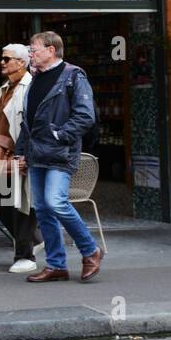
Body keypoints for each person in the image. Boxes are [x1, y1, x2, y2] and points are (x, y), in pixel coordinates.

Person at [16, 31, 103, 283]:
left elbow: (85, 116)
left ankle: (90, 250)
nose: (31, 54)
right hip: (37, 153)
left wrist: (60, 135)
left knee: (55, 202)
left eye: (34, 49)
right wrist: (21, 151)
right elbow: (27, 121)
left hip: (60, 153)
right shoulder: (35, 79)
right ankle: (56, 265)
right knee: (43, 209)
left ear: (51, 50)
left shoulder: (73, 76)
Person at [0, 43, 40, 274]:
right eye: (1, 58)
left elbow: (32, 126)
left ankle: (25, 255)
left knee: (21, 203)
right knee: (2, 202)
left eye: (7, 59)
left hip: (19, 153)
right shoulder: (5, 88)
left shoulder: (30, 87)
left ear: (22, 63)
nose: (2, 62)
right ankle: (34, 239)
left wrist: (26, 154)